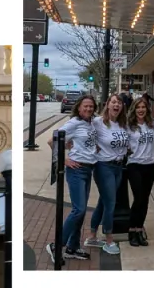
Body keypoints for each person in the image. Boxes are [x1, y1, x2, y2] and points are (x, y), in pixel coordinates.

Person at [55, 94, 99, 260]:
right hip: (76, 170)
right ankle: (57, 245)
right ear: (79, 108)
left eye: (91, 106)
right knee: (78, 210)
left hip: (89, 169)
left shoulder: (91, 123)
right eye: (85, 106)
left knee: (80, 211)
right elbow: (53, 140)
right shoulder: (74, 123)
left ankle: (73, 247)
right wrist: (64, 159)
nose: (88, 109)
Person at [86, 96, 129, 254]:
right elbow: (82, 132)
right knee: (111, 203)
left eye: (119, 103)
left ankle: (91, 236)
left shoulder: (123, 124)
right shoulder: (98, 122)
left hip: (118, 167)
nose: (116, 105)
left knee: (103, 203)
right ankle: (108, 240)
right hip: (104, 166)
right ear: (107, 105)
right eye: (113, 102)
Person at [124, 96, 154, 247]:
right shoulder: (128, 126)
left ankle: (139, 230)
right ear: (134, 109)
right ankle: (131, 230)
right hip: (135, 165)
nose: (141, 110)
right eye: (138, 107)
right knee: (138, 198)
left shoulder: (152, 125)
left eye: (143, 107)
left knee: (145, 199)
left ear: (147, 109)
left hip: (150, 165)